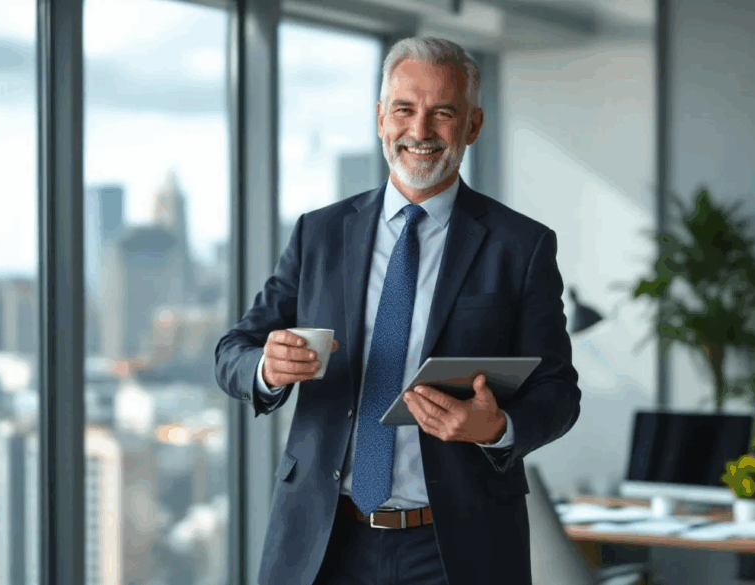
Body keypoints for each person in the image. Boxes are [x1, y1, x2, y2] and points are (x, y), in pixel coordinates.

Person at [214, 37, 581, 585]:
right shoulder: (320, 233)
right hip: (322, 539)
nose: (420, 130)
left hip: (455, 547)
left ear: (473, 126)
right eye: (405, 110)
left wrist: (498, 426)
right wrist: (267, 368)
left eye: (443, 113)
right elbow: (233, 352)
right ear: (381, 118)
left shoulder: (520, 246)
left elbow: (558, 391)